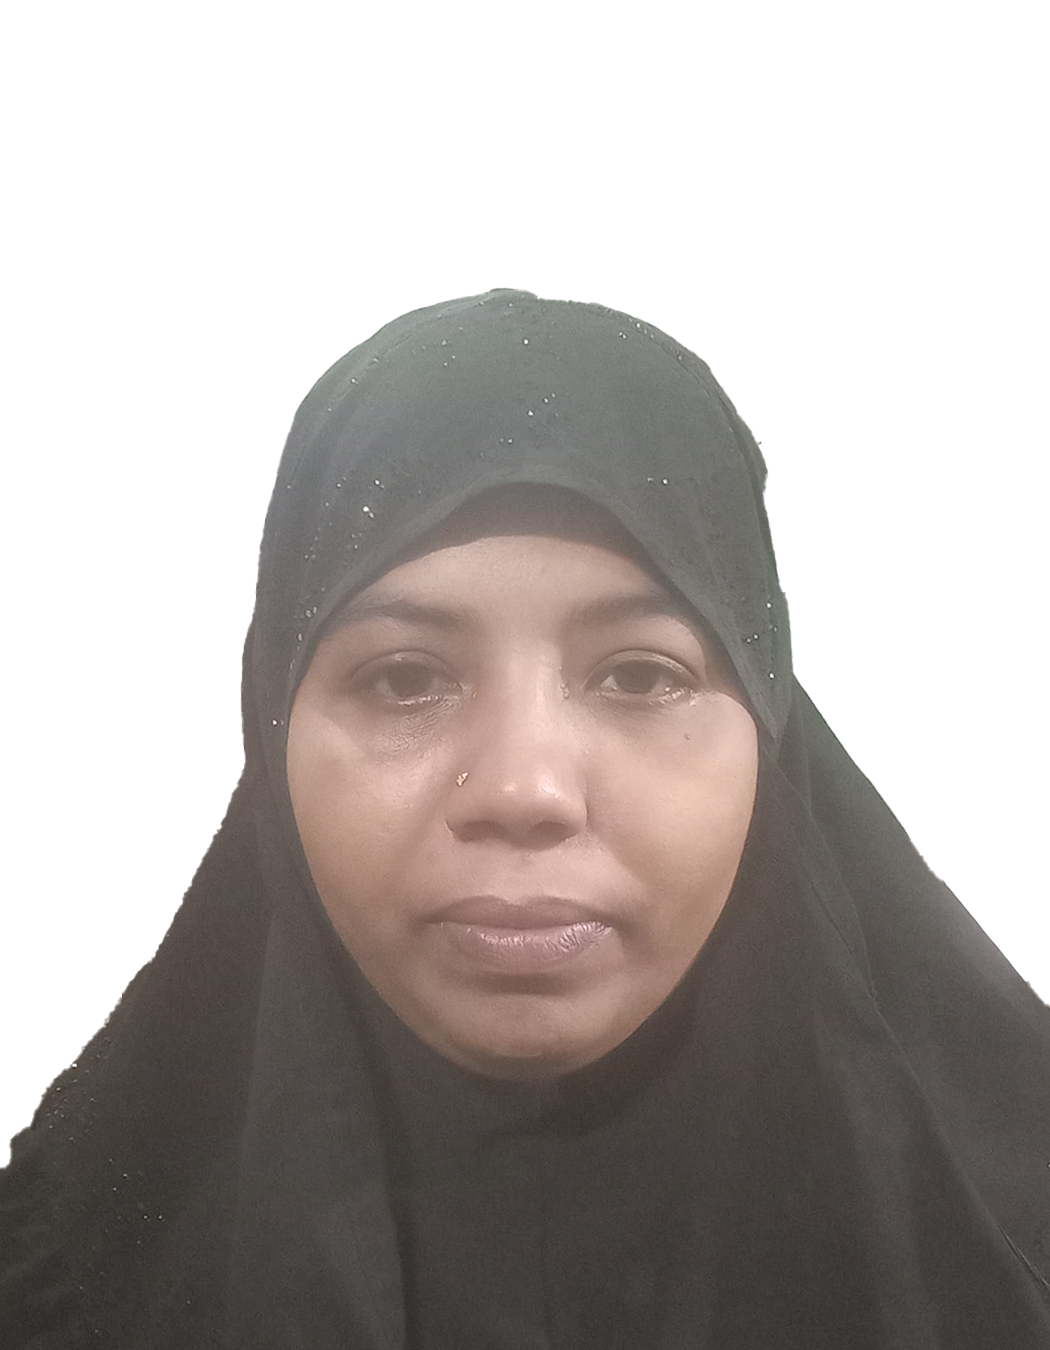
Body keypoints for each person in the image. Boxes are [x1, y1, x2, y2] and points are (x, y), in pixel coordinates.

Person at [2, 289, 1048, 1348]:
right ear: (272, 729)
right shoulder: (54, 1295)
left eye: (639, 675)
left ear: (768, 728)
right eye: (405, 679)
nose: (524, 789)